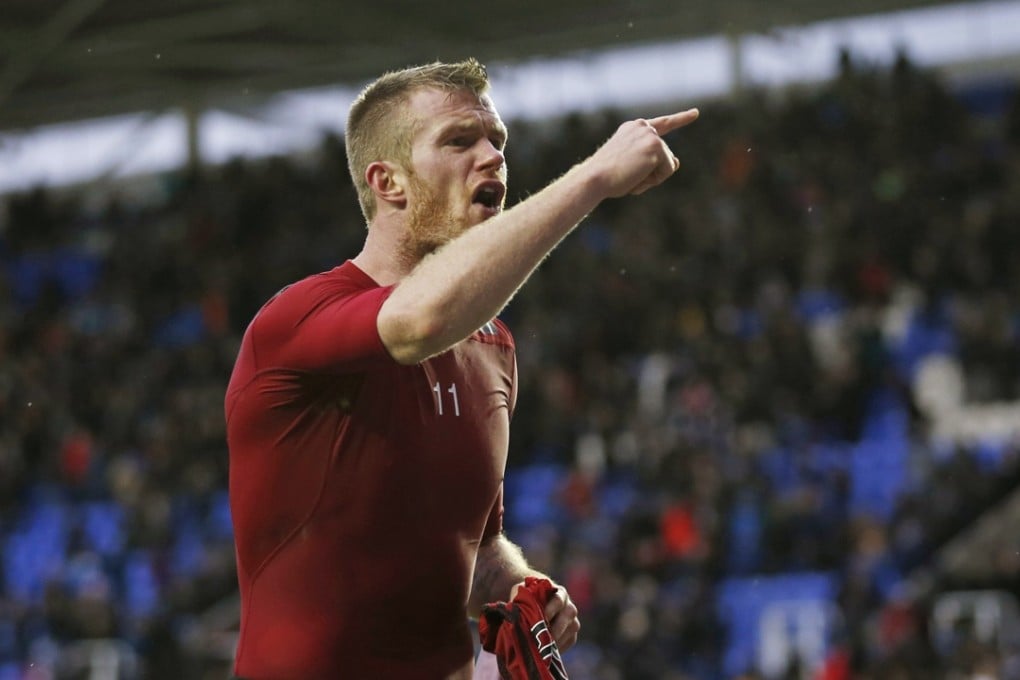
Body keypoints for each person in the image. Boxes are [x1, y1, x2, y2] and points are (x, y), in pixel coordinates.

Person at [224, 58, 699, 679]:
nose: (493, 156)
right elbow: (414, 322)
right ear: (388, 182)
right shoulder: (296, 320)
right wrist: (594, 178)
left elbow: (476, 549)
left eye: (497, 140)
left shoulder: (493, 347)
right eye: (459, 140)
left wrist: (527, 587)